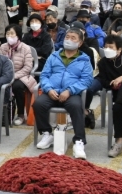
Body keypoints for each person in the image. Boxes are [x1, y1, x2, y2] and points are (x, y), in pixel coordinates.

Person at [34, 29, 94, 159]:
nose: (69, 40)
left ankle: (79, 141)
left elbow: (87, 80)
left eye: (73, 38)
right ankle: (46, 133)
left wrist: (70, 90)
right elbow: (44, 75)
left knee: (76, 107)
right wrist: (49, 89)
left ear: (79, 43)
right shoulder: (54, 56)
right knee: (38, 104)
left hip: (71, 93)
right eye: (67, 37)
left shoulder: (84, 60)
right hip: (52, 91)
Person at [1, 25, 37, 126]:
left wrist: (14, 76)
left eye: (12, 34)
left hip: (21, 75)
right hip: (6, 74)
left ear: (18, 35)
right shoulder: (3, 47)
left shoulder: (25, 48)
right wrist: (6, 76)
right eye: (7, 34)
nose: (9, 36)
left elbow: (28, 67)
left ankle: (20, 114)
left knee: (17, 86)